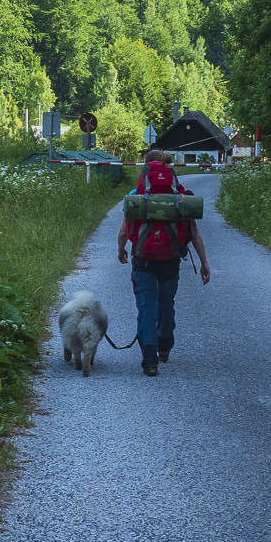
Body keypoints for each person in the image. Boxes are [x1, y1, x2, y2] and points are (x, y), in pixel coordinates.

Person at [116, 150, 210, 376]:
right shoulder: (181, 198)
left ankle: (150, 361)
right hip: (170, 260)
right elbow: (194, 233)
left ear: (145, 170)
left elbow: (122, 231)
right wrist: (204, 263)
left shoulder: (135, 196)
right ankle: (165, 344)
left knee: (147, 307)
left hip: (143, 260)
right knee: (166, 304)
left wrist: (121, 250)